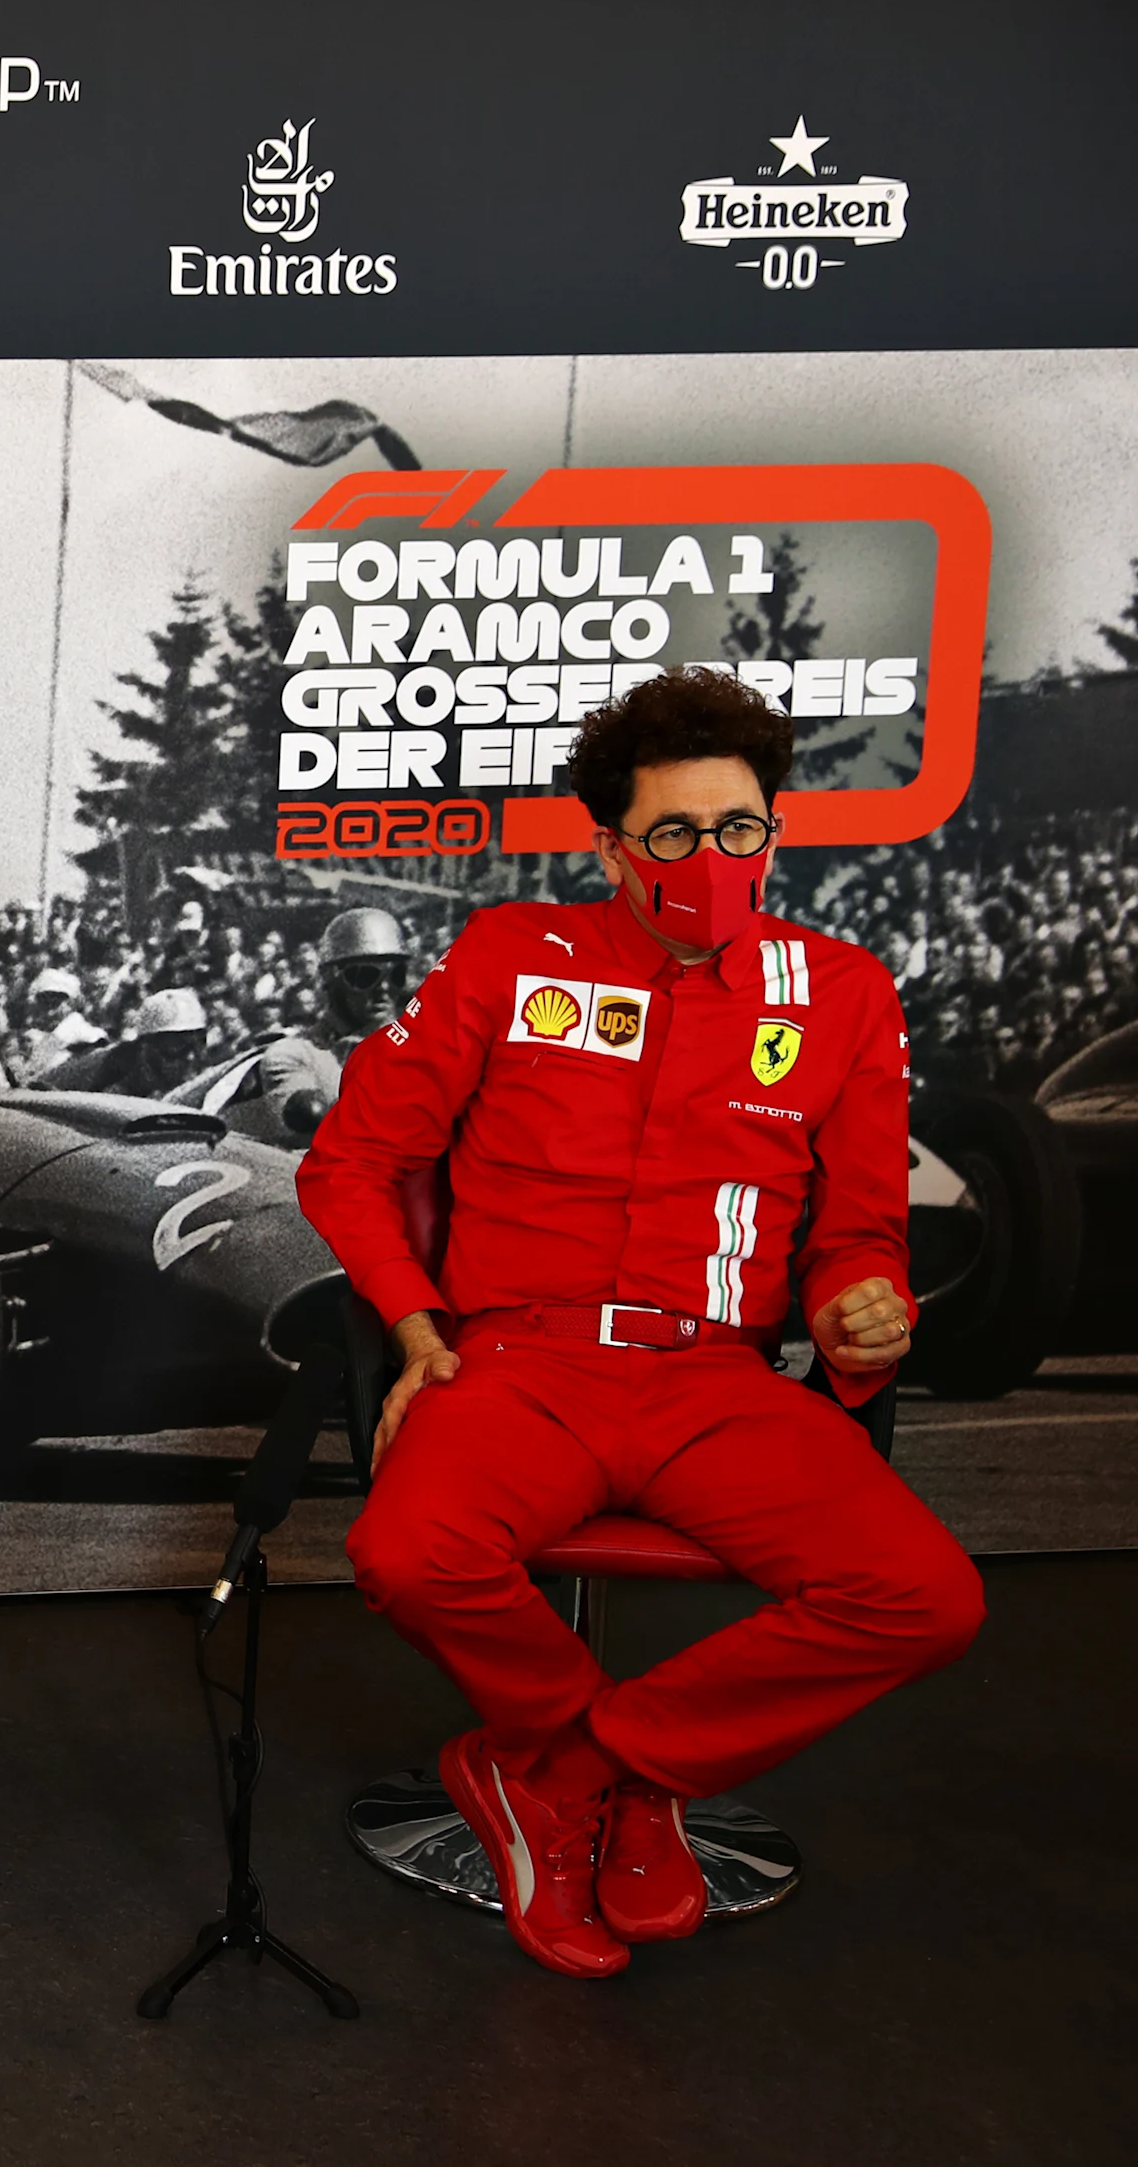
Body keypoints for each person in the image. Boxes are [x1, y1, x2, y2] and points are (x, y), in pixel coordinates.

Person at [297, 668, 983, 1981]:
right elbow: (348, 1163)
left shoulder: (839, 991)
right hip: (519, 1359)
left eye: (738, 829)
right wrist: (414, 1321)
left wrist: (861, 1309)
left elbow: (858, 1232)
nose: (710, 859)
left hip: (715, 1378)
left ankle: (589, 1776)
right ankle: (583, 1775)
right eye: (672, 834)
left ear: (773, 828)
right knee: (406, 1550)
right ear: (609, 844)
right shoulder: (512, 957)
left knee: (926, 1599)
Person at [186, 906, 412, 1145]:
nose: (384, 989)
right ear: (329, 977)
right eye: (366, 975)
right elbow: (307, 1127)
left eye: (396, 974)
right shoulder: (294, 1054)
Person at [41, 985, 207, 1097]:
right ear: (146, 1045)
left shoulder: (194, 1074)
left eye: (198, 1043)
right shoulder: (110, 1072)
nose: (190, 1057)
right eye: (177, 1046)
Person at [17, 965, 107, 1083]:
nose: (50, 1011)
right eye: (45, 1004)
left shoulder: (76, 1025)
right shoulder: (30, 1034)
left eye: (56, 1004)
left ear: (70, 1004)